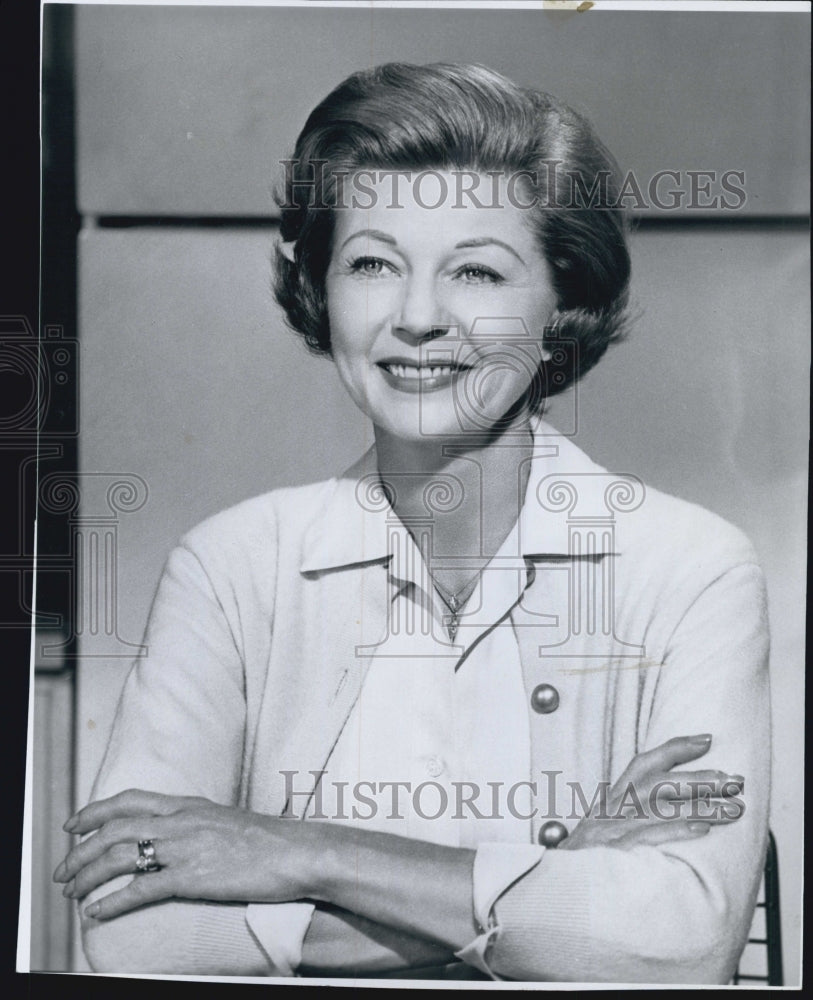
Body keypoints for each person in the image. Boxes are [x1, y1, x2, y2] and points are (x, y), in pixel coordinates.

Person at [54, 62, 770, 984]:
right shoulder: (231, 566)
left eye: (475, 270)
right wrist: (549, 892)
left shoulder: (690, 568)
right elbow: (128, 928)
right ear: (321, 293)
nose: (419, 317)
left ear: (563, 306)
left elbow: (677, 948)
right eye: (371, 264)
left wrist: (297, 851)